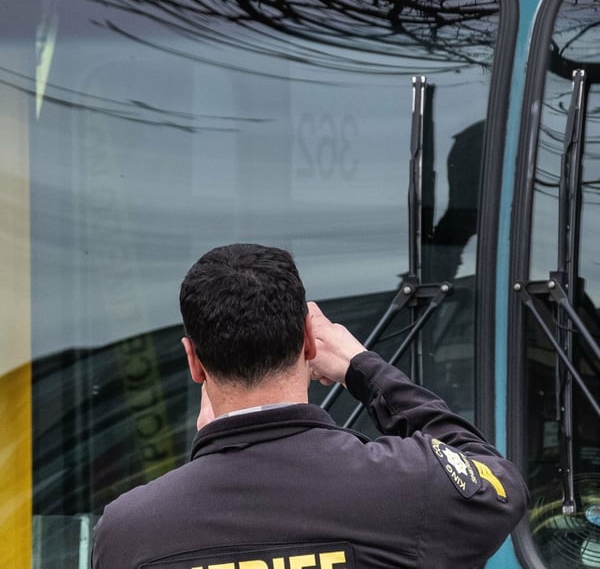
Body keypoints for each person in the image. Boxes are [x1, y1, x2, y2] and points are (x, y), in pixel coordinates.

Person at [91, 243, 527, 569]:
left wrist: (208, 451)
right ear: (307, 339)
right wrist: (363, 368)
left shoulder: (129, 534)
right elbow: (499, 483)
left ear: (193, 361)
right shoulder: (408, 486)